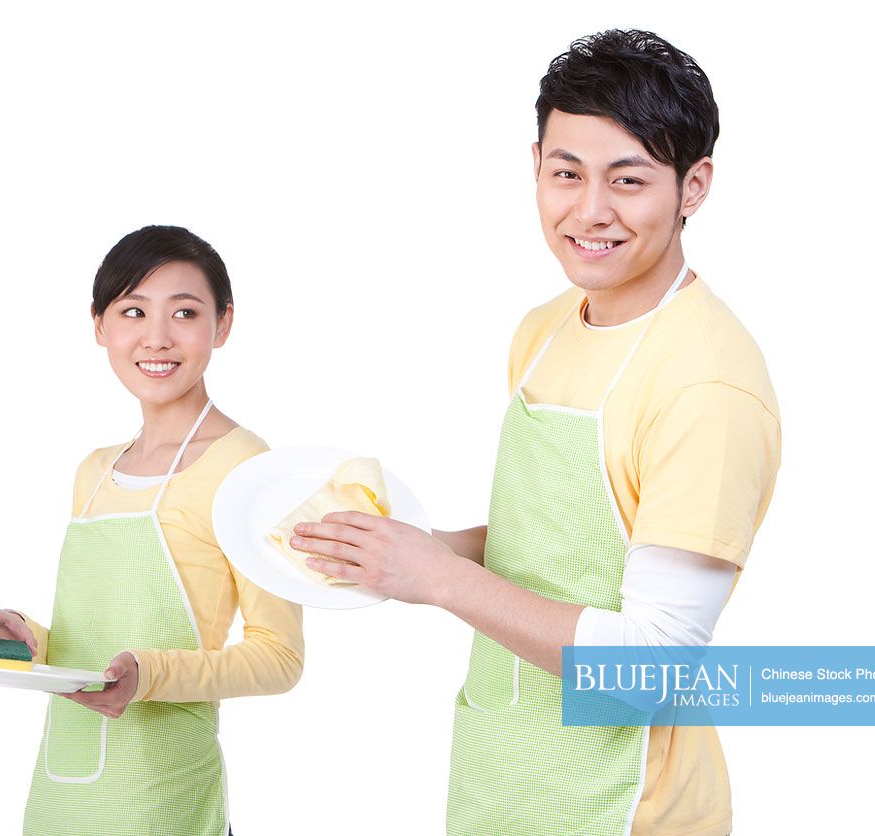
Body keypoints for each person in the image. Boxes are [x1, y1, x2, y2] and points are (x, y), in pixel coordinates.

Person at [292, 30, 780, 835]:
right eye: (566, 173)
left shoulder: (708, 384)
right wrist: (414, 549)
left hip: (623, 806)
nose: (588, 212)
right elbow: (559, 542)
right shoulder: (544, 329)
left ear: (693, 186)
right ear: (535, 166)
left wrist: (441, 582)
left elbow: (653, 670)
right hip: (504, 777)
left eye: (627, 180)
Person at [0, 225, 304, 836]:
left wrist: (150, 675)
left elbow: (279, 657)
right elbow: (96, 645)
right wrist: (19, 637)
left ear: (223, 324)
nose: (156, 337)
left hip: (163, 799)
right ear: (99, 325)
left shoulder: (247, 466)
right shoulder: (96, 469)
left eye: (184, 312)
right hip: (66, 795)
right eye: (132, 311)